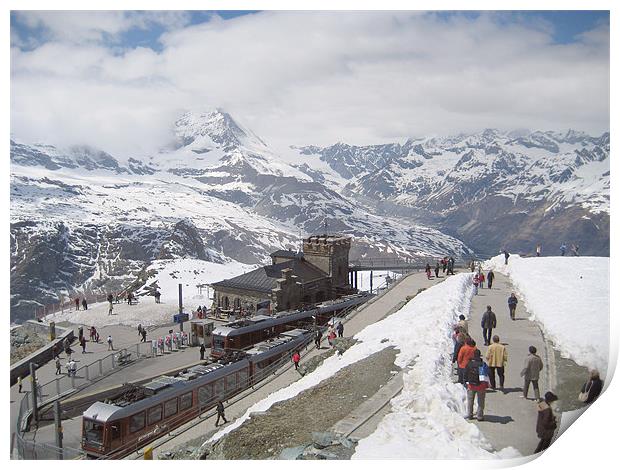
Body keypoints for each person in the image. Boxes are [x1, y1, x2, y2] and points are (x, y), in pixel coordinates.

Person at [465, 349, 489, 421]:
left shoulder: (469, 363)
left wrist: (466, 381)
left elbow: (466, 373)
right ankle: (480, 416)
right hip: (481, 385)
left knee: (470, 401)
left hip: (471, 385)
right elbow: (487, 373)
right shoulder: (482, 364)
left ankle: (470, 414)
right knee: (481, 401)